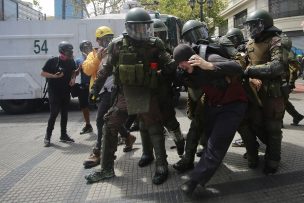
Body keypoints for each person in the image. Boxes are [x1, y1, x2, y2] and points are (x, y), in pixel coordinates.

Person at [85, 8, 176, 185]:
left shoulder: (154, 44)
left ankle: (162, 166)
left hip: (147, 93)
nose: (142, 31)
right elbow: (105, 69)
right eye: (138, 27)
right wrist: (95, 89)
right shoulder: (118, 45)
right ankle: (106, 169)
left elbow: (170, 65)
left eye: (145, 27)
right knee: (110, 125)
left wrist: (158, 75)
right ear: (129, 27)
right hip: (124, 94)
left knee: (154, 127)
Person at [173, 43, 247, 196]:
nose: (181, 66)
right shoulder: (187, 71)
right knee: (206, 137)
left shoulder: (211, 58)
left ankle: (194, 182)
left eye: (182, 63)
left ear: (192, 58)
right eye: (179, 64)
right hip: (213, 105)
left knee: (216, 144)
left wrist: (209, 66)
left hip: (233, 105)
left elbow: (237, 68)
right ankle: (210, 163)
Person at [82, 26, 136, 168]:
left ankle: (98, 151)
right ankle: (128, 136)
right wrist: (98, 58)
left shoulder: (116, 50)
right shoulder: (93, 54)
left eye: (109, 39)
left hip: (115, 91)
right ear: (98, 41)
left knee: (102, 119)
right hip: (101, 91)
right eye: (104, 40)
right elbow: (87, 70)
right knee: (112, 120)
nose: (107, 42)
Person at [243, 9, 287, 174]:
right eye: (250, 26)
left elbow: (277, 67)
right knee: (255, 123)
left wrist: (249, 71)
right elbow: (243, 64)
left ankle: (273, 159)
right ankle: (261, 150)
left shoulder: (276, 40)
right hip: (254, 92)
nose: (252, 29)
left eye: (255, 25)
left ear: (264, 24)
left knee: (273, 128)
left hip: (273, 93)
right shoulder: (249, 44)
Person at [41, 41, 76, 147]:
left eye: (71, 50)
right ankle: (47, 136)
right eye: (67, 51)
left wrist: (73, 79)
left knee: (64, 113)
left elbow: (73, 71)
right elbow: (42, 73)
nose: (70, 52)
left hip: (65, 91)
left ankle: (63, 135)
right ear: (61, 51)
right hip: (54, 92)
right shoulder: (52, 61)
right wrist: (54, 76)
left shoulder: (71, 61)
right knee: (54, 113)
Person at [75, 40, 93, 134]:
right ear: (82, 49)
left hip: (95, 85)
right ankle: (88, 125)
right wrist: (78, 69)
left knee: (101, 106)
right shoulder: (78, 60)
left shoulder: (95, 57)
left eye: (89, 47)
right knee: (84, 106)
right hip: (85, 86)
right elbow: (76, 73)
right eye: (86, 47)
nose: (88, 49)